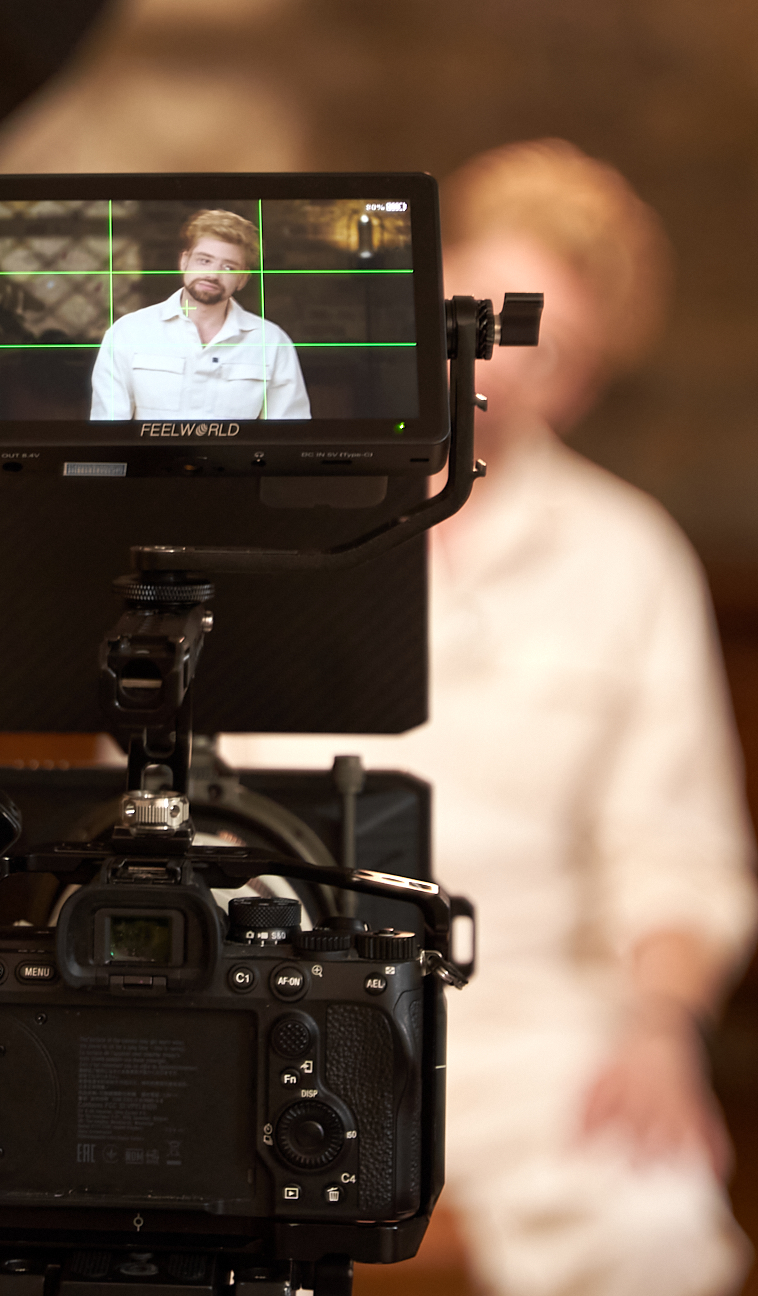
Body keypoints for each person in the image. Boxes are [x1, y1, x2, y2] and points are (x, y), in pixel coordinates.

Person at [220, 139, 758, 1296]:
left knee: (662, 1235)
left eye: (546, 349)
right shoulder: (267, 507)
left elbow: (679, 850)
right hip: (271, 1013)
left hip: (532, 1032)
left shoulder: (627, 558)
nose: (498, 366)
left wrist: (662, 1027)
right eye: (484, 313)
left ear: (586, 383)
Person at [89, 208, 311, 421]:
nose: (212, 275)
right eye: (204, 261)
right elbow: (108, 431)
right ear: (184, 261)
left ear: (243, 279)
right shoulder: (128, 333)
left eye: (229, 268)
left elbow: (288, 434)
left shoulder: (271, 342)